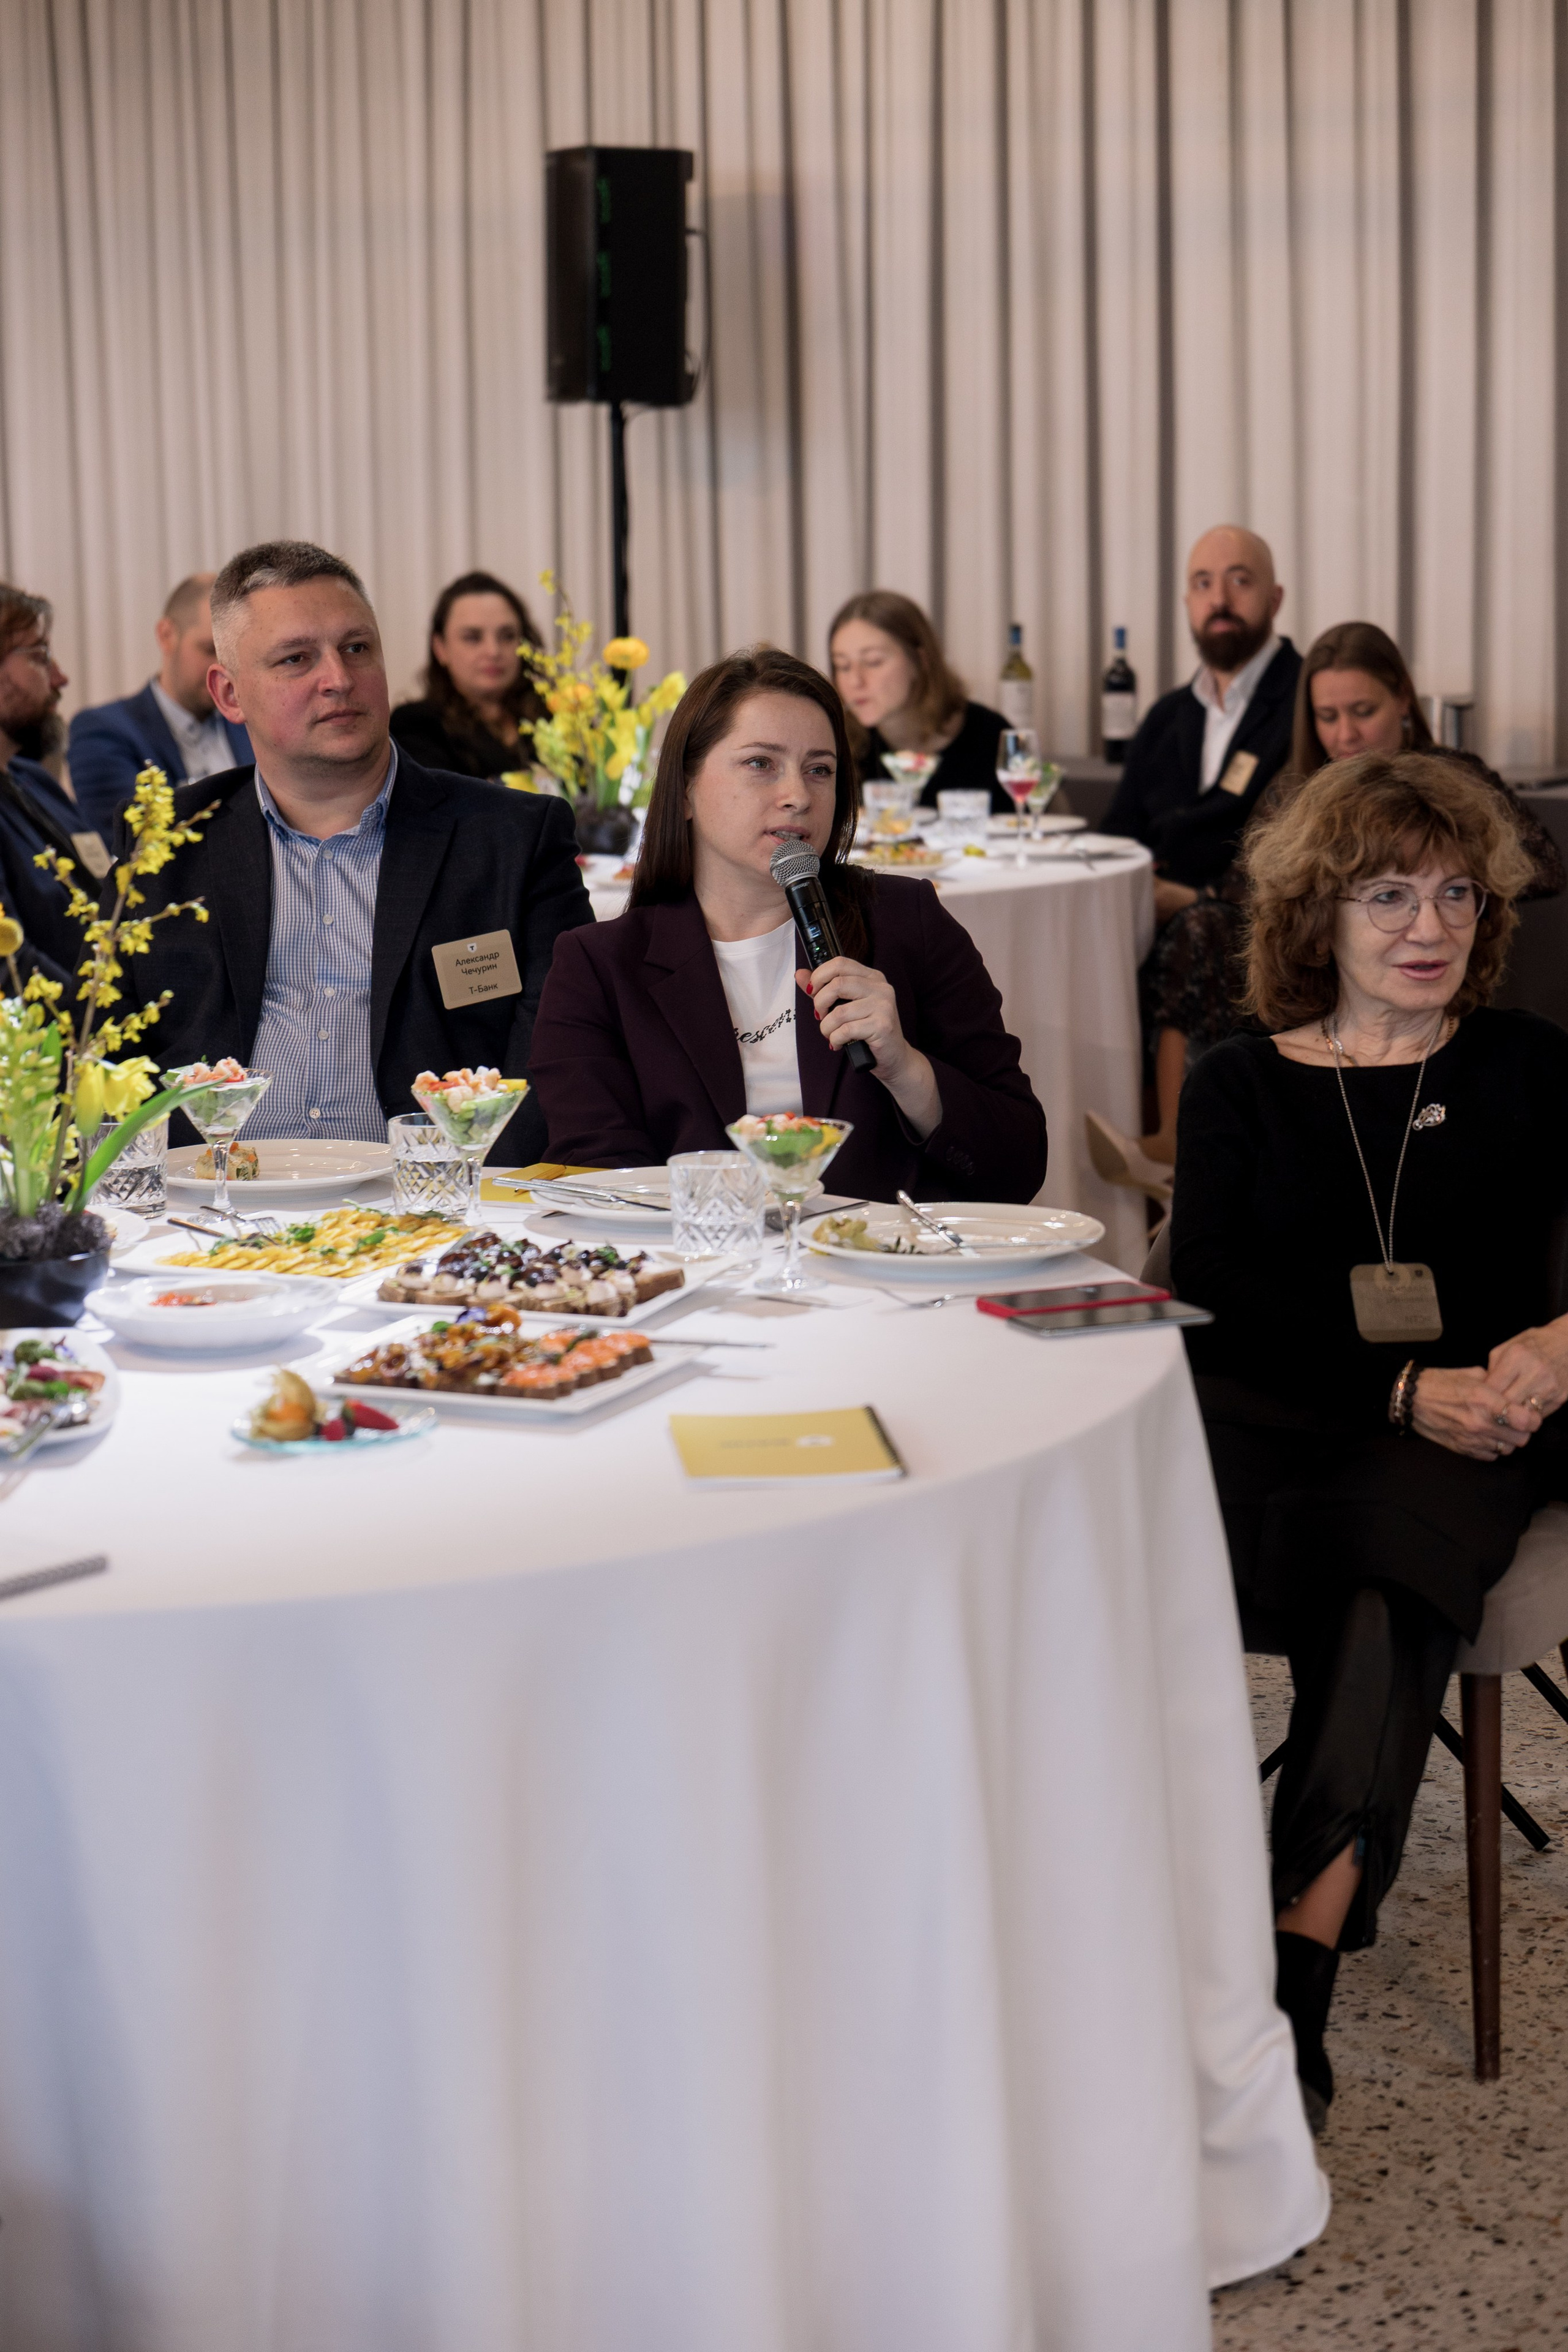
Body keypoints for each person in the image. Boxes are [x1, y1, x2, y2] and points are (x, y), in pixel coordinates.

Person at [1172, 751, 1568, 2130]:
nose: (1427, 928)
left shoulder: (1524, 1066)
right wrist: (1402, 1388)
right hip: (1279, 1426)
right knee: (1361, 1538)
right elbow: (1211, 1309)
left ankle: (1292, 1979)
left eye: (1456, 894)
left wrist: (1558, 1343)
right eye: (1386, 894)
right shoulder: (1236, 1086)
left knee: (1389, 1554)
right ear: (1316, 917)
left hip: (1474, 1438)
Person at [124, 540, 592, 1159]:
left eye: (356, 648)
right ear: (230, 695)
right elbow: (112, 1055)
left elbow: (564, 1051)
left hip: (430, 1211)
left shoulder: (509, 839)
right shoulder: (169, 842)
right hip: (212, 1208)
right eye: (296, 659)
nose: (339, 679)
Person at [529, 646, 1047, 1203]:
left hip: (886, 1273)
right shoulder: (599, 966)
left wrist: (907, 1070)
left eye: (820, 770)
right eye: (761, 764)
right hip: (702, 1274)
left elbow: (1018, 1165)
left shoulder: (906, 922)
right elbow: (605, 1183)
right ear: (683, 789)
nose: (798, 796)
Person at [1089, 619, 1564, 1189]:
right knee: (1203, 926)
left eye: (1362, 712)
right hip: (1318, 970)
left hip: (1426, 991)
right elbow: (1253, 894)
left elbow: (1545, 865)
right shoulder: (1300, 788)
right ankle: (1172, 1141)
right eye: (1328, 717)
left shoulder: (1450, 781)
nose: (1345, 735)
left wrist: (1431, 883)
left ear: (1403, 701)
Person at [1104, 524, 1302, 897]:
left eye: (1240, 581)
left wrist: (1194, 903)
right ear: (1188, 604)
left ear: (1275, 600)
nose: (1219, 600)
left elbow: (1300, 855)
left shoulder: (1309, 704)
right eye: (1203, 584)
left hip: (1249, 933)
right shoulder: (1165, 715)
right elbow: (1118, 831)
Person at [67, 574, 252, 836]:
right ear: (167, 636)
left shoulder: (252, 723)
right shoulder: (102, 733)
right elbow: (135, 844)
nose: (224, 672)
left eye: (234, 656)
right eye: (210, 650)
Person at [828, 590, 1014, 814]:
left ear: (920, 661)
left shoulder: (990, 735)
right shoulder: (835, 743)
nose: (855, 681)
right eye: (843, 666)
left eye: (873, 662)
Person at [0, 582, 100, 977]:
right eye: (40, 656)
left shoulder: (34, 781)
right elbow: (8, 965)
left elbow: (100, 883)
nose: (60, 678)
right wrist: (111, 1018)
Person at [389, 571, 545, 780]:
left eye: (507, 636)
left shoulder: (557, 718)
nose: (493, 651)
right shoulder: (417, 726)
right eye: (473, 638)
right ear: (440, 648)